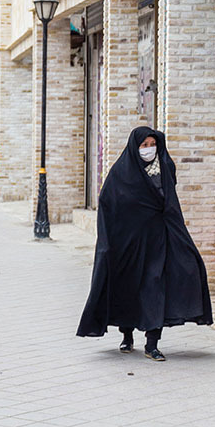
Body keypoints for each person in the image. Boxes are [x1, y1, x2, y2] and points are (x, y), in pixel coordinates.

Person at [77, 126, 212, 360]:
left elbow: (170, 203)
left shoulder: (165, 168)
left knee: (155, 286)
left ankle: (152, 344)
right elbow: (108, 206)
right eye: (144, 145)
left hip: (158, 240)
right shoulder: (121, 173)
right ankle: (127, 336)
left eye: (153, 145)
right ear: (134, 147)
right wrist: (109, 243)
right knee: (127, 289)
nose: (149, 149)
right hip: (128, 243)